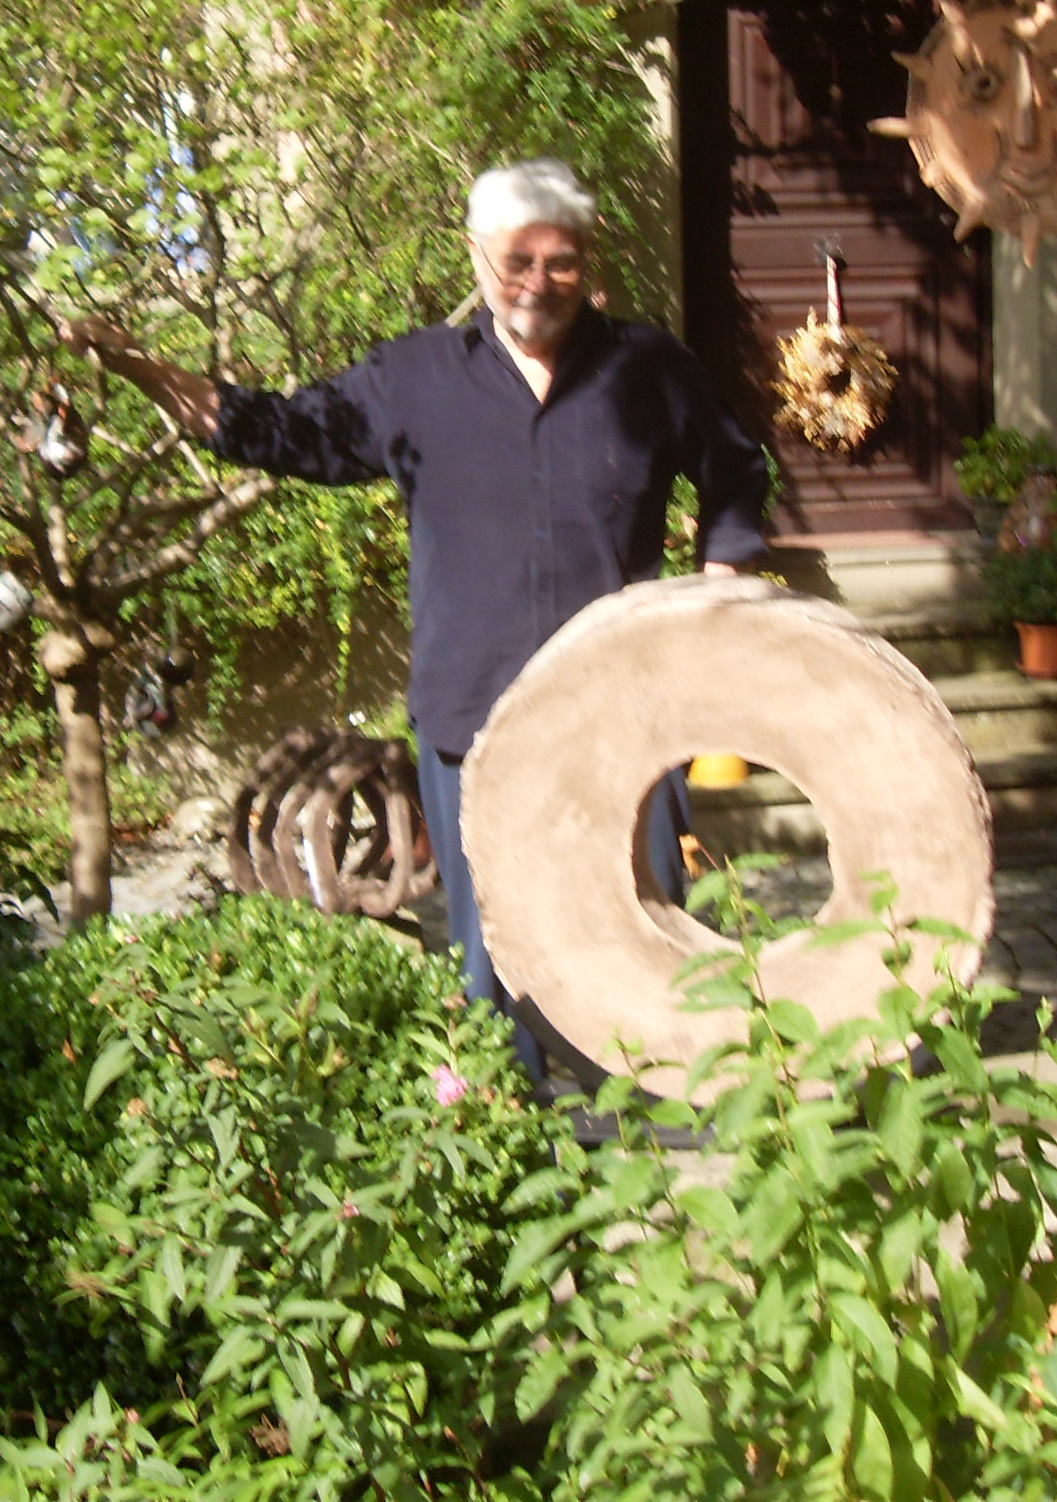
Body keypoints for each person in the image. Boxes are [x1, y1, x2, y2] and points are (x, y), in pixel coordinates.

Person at [60, 158, 769, 1075]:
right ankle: (511, 1123)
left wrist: (718, 586)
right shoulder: (416, 378)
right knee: (497, 957)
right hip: (474, 721)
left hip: (624, 714)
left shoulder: (650, 370)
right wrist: (141, 367)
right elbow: (285, 431)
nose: (538, 283)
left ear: (587, 260)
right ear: (476, 257)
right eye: (517, 261)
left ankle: (657, 1113)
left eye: (560, 261)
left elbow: (736, 467)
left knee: (647, 934)